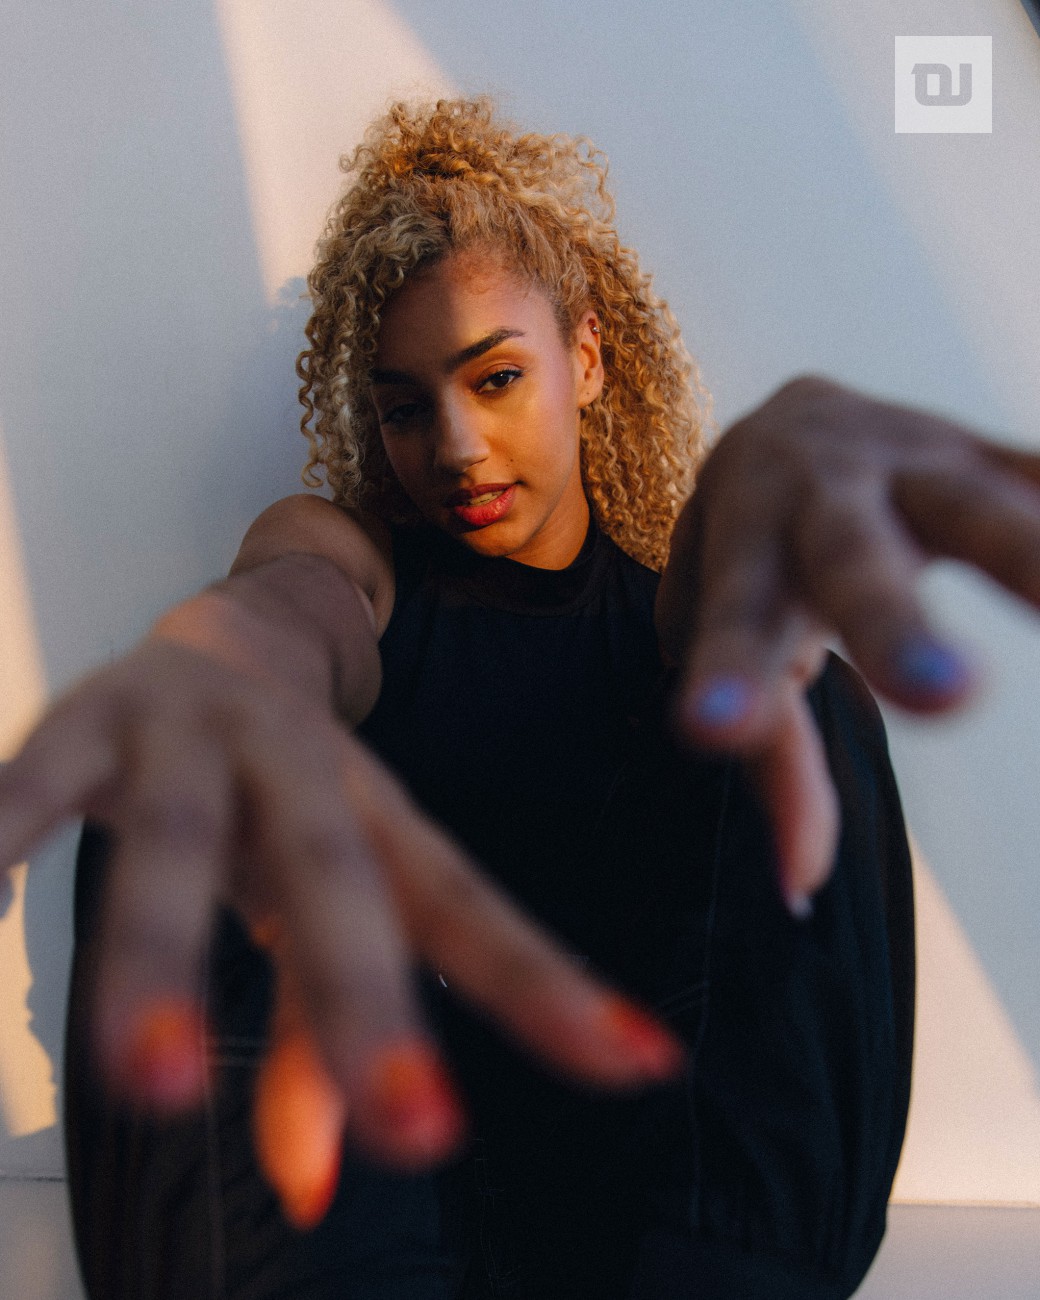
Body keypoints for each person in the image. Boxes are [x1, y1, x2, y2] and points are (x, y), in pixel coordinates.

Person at [2, 96, 1039, 1298]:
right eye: (405, 406)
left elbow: (701, 609)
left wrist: (752, 539)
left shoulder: (667, 623)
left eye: (494, 378)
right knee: (210, 728)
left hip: (641, 1226)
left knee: (796, 700)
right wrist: (236, 649)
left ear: (586, 359)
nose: (453, 448)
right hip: (360, 1217)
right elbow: (299, 594)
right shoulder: (360, 567)